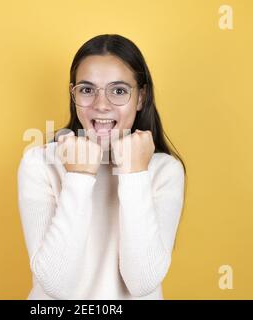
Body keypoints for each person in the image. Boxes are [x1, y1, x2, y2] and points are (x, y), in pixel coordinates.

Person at [17, 34, 187, 299]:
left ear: (141, 97)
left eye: (118, 91)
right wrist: (79, 176)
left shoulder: (164, 171)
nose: (101, 105)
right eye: (87, 90)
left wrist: (134, 174)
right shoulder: (39, 163)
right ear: (73, 94)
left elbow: (142, 283)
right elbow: (56, 285)